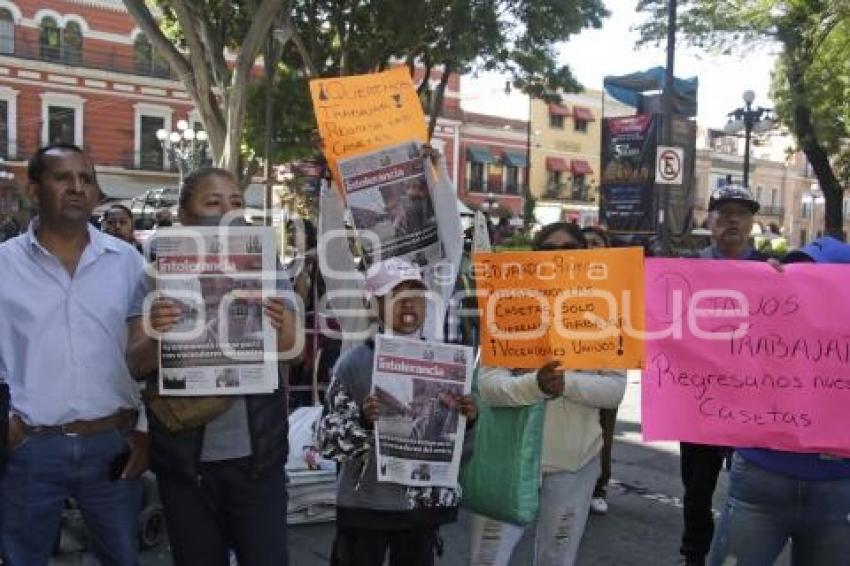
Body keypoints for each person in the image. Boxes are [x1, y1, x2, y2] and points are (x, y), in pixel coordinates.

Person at [135, 167, 299, 566]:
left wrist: (278, 320)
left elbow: (294, 352)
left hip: (256, 459)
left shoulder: (265, 264)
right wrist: (158, 332)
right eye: (213, 202)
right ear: (183, 215)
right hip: (186, 466)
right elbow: (135, 364)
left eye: (236, 202)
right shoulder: (156, 270)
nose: (229, 211)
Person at [0, 144, 149, 566]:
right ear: (34, 190)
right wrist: (8, 425)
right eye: (63, 178)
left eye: (86, 178)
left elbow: (147, 349)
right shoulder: (4, 266)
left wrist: (143, 428)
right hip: (31, 448)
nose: (77, 188)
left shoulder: (127, 262)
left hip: (114, 443)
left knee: (122, 557)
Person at [468, 222, 628, 566]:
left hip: (575, 463)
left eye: (569, 249)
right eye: (548, 250)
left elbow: (614, 390)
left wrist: (565, 383)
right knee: (486, 559)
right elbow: (489, 387)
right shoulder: (507, 307)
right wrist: (535, 386)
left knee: (557, 559)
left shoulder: (605, 310)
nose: (558, 258)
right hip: (507, 461)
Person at [317, 257, 477, 566]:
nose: (408, 305)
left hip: (420, 511)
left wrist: (468, 423)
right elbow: (328, 441)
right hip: (365, 509)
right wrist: (364, 421)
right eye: (395, 296)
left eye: (416, 296)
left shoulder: (446, 365)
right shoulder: (352, 364)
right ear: (372, 305)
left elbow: (463, 455)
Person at [708, 236, 850, 566]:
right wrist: (757, 287)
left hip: (838, 490)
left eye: (819, 278)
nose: (805, 286)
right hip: (760, 478)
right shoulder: (768, 314)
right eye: (798, 271)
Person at [679, 185, 768, 566]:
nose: (733, 219)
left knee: (750, 487)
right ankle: (695, 554)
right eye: (724, 212)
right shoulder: (686, 270)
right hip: (699, 400)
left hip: (754, 400)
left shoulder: (774, 271)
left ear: (751, 223)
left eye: (742, 213)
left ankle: (736, 553)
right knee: (697, 488)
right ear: (710, 221)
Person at [580, 225, 617, 515]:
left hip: (605, 365)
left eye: (598, 243)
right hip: (572, 363)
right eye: (587, 242)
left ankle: (598, 486)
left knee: (603, 429)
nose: (592, 247)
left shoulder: (619, 282)